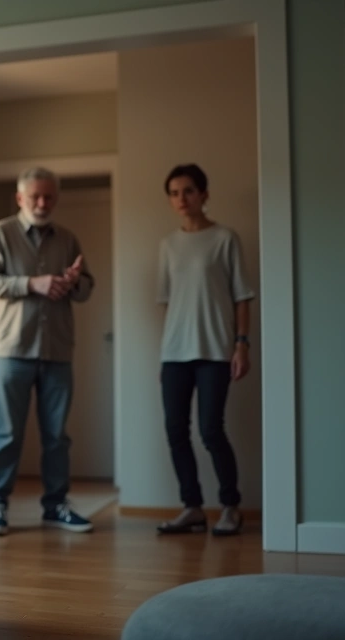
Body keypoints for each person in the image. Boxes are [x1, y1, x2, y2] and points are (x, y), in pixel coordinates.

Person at [0, 167, 95, 536]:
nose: (43, 203)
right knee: (7, 432)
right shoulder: (1, 233)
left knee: (57, 435)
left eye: (49, 197)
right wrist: (33, 283)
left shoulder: (68, 238)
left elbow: (87, 287)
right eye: (35, 197)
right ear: (20, 198)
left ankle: (56, 505)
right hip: (13, 348)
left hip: (58, 349)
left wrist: (75, 283)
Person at [155, 163, 254, 536]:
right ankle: (192, 507)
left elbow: (242, 297)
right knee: (175, 430)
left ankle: (230, 506)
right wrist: (163, 355)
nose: (182, 198)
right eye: (175, 193)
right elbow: (167, 304)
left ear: (204, 194)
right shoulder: (167, 245)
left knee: (212, 430)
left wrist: (242, 345)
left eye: (189, 191)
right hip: (174, 353)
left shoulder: (225, 238)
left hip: (215, 350)